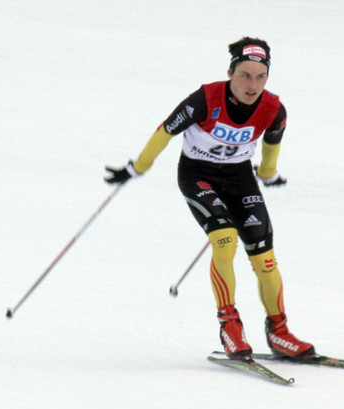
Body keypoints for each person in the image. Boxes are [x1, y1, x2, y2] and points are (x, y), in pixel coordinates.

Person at [105, 36, 315, 361]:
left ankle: (279, 332)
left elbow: (272, 146)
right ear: (230, 72)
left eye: (261, 77)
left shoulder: (273, 109)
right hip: (198, 175)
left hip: (240, 179)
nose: (252, 84)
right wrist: (137, 168)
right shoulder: (205, 99)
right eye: (245, 75)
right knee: (225, 240)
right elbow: (165, 131)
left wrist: (269, 174)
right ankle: (230, 326)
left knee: (265, 260)